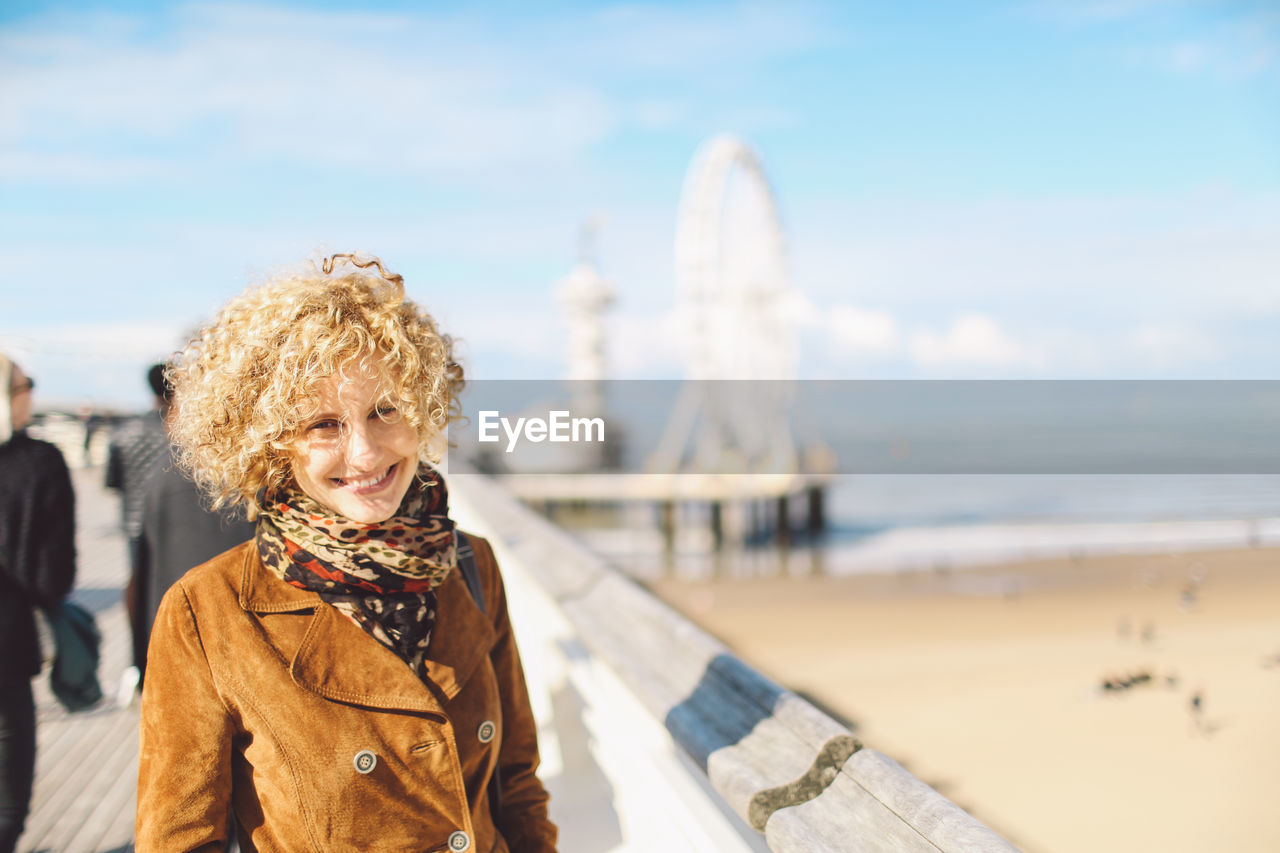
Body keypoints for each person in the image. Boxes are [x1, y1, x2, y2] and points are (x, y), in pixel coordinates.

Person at [136, 254, 558, 852]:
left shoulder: (468, 564)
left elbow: (516, 786)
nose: (365, 454)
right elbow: (179, 840)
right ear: (270, 444)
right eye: (323, 425)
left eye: (384, 410)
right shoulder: (208, 612)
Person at [130, 367, 254, 683]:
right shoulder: (259, 468)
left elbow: (144, 576)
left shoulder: (169, 468)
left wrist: (144, 662)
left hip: (182, 648)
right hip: (244, 650)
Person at [0, 353, 77, 853]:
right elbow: (53, 579)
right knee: (6, 804)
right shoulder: (39, 461)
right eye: (27, 384)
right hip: (6, 649)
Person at [107, 363, 170, 668]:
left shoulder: (124, 431)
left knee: (137, 590)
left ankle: (140, 659)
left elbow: (113, 482)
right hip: (172, 524)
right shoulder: (178, 430)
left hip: (134, 523)